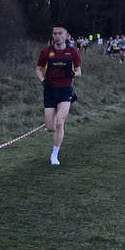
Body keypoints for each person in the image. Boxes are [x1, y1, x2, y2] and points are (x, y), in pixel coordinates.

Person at [36, 24, 82, 166]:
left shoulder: (72, 52)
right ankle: (56, 123)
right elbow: (38, 69)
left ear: (66, 35)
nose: (57, 36)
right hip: (50, 90)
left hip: (65, 90)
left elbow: (80, 71)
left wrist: (73, 74)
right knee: (50, 127)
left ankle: (54, 155)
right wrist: (43, 81)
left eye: (60, 33)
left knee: (60, 122)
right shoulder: (46, 52)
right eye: (54, 34)